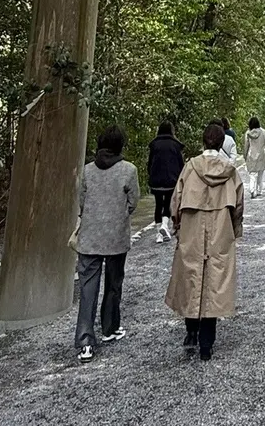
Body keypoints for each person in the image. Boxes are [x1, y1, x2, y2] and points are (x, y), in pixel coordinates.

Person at [165, 120, 244, 361]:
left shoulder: (190, 168)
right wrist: (235, 230)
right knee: (214, 280)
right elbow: (238, 205)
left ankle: (191, 332)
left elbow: (176, 201)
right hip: (220, 229)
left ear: (203, 141)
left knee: (192, 275)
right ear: (221, 144)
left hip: (192, 228)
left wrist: (178, 225)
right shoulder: (230, 172)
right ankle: (207, 344)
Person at [74, 123, 139, 361]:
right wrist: (118, 215)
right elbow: (133, 201)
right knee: (113, 284)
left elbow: (81, 201)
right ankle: (110, 329)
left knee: (87, 289)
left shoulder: (87, 170)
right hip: (116, 237)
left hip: (89, 237)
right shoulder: (128, 170)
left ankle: (85, 342)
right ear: (121, 145)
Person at [147, 118, 185, 244]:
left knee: (158, 205)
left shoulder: (154, 145)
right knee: (168, 203)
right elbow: (181, 164)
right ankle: (164, 225)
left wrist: (151, 176)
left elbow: (150, 163)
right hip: (171, 180)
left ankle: (159, 234)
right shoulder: (175, 145)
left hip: (156, 180)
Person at [243, 114, 265, 197]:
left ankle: (252, 189)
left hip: (251, 155)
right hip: (261, 155)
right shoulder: (263, 132)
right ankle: (259, 190)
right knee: (260, 174)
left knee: (252, 174)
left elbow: (246, 146)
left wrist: (245, 155)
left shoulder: (248, 133)